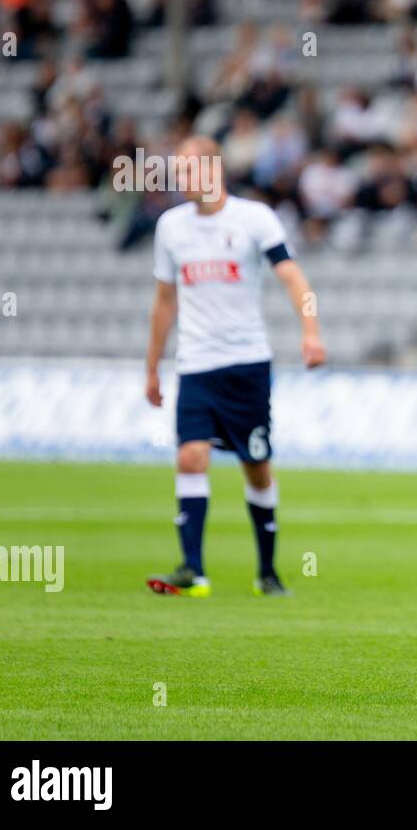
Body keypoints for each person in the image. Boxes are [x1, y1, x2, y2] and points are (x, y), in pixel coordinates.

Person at [144, 135, 326, 597]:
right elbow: (165, 300)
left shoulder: (254, 218)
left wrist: (310, 330)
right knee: (190, 454)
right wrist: (152, 366)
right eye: (178, 171)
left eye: (188, 170)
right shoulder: (170, 227)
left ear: (213, 169)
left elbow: (291, 275)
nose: (181, 180)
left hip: (246, 364)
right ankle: (193, 569)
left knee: (256, 465)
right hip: (196, 365)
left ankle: (267, 570)